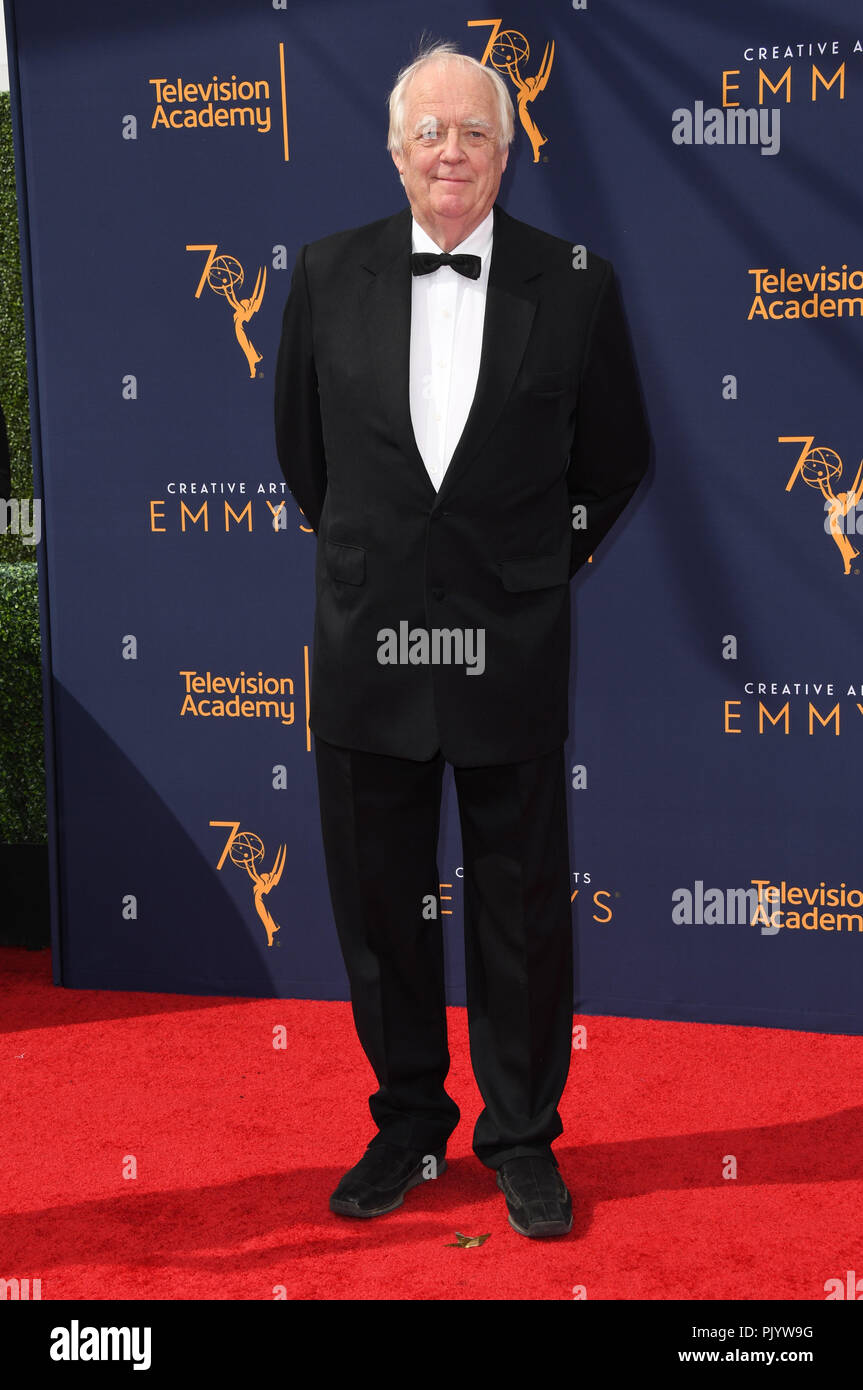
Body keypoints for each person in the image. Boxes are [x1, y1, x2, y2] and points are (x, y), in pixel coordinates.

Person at [274, 41, 650, 1239]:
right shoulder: (328, 276)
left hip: (509, 644)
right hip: (369, 645)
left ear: (507, 151)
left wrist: (540, 566)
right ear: (395, 152)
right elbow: (305, 457)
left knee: (520, 904)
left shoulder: (574, 283)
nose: (450, 151)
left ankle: (522, 1138)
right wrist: (380, 560)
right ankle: (404, 1124)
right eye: (429, 132)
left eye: (473, 132)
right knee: (379, 902)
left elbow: (614, 456)